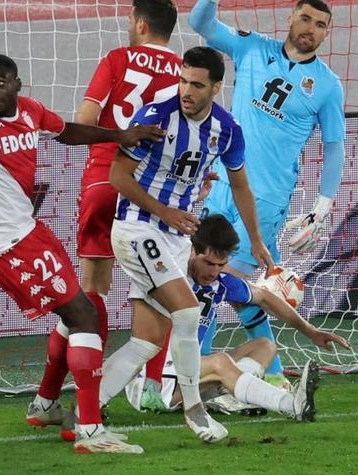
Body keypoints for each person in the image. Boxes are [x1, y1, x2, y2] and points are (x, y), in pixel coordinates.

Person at [0, 54, 163, 454]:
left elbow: (66, 132)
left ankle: (45, 404)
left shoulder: (30, 112)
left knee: (77, 311)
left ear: (17, 84)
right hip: (2, 242)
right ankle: (90, 432)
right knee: (85, 314)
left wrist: (120, 136)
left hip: (31, 231)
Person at [95, 46, 275, 445]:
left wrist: (257, 241)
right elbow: (118, 177)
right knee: (189, 311)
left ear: (215, 86)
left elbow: (241, 186)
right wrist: (166, 211)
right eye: (182, 80)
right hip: (136, 228)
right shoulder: (156, 116)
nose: (185, 91)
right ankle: (195, 411)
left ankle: (85, 410)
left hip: (174, 239)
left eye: (196, 84)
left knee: (145, 341)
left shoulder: (226, 129)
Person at [189, 0, 346, 387]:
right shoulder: (252, 47)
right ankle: (273, 376)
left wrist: (321, 209)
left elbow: (334, 146)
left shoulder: (327, 86)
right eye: (305, 18)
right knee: (223, 285)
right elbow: (200, 22)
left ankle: (194, 376)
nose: (310, 28)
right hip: (223, 184)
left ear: (327, 32)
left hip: (264, 199)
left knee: (216, 281)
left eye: (320, 24)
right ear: (291, 17)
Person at [118, 215, 350, 419]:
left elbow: (266, 297)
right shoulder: (169, 279)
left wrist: (311, 331)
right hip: (154, 384)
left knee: (264, 347)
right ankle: (290, 405)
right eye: (207, 263)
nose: (213, 272)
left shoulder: (220, 283)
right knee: (220, 361)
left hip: (187, 376)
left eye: (221, 265)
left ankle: (229, 397)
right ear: (191, 251)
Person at [73, 0, 181, 354]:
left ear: (141, 25)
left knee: (93, 288)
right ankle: (153, 385)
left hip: (104, 180)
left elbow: (85, 120)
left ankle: (92, 379)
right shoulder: (185, 73)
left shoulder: (117, 59)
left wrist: (117, 136)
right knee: (158, 286)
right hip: (152, 192)